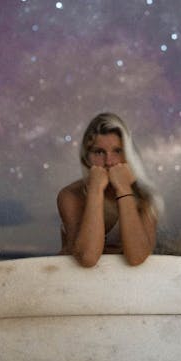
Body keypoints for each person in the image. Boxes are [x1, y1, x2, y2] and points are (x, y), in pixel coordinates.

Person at [58, 112, 163, 267]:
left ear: (128, 155)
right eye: (99, 152)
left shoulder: (145, 197)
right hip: (79, 283)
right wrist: (95, 190)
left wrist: (123, 189)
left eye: (117, 151)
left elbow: (137, 256)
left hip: (127, 283)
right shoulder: (71, 196)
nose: (109, 161)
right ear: (86, 157)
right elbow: (87, 257)